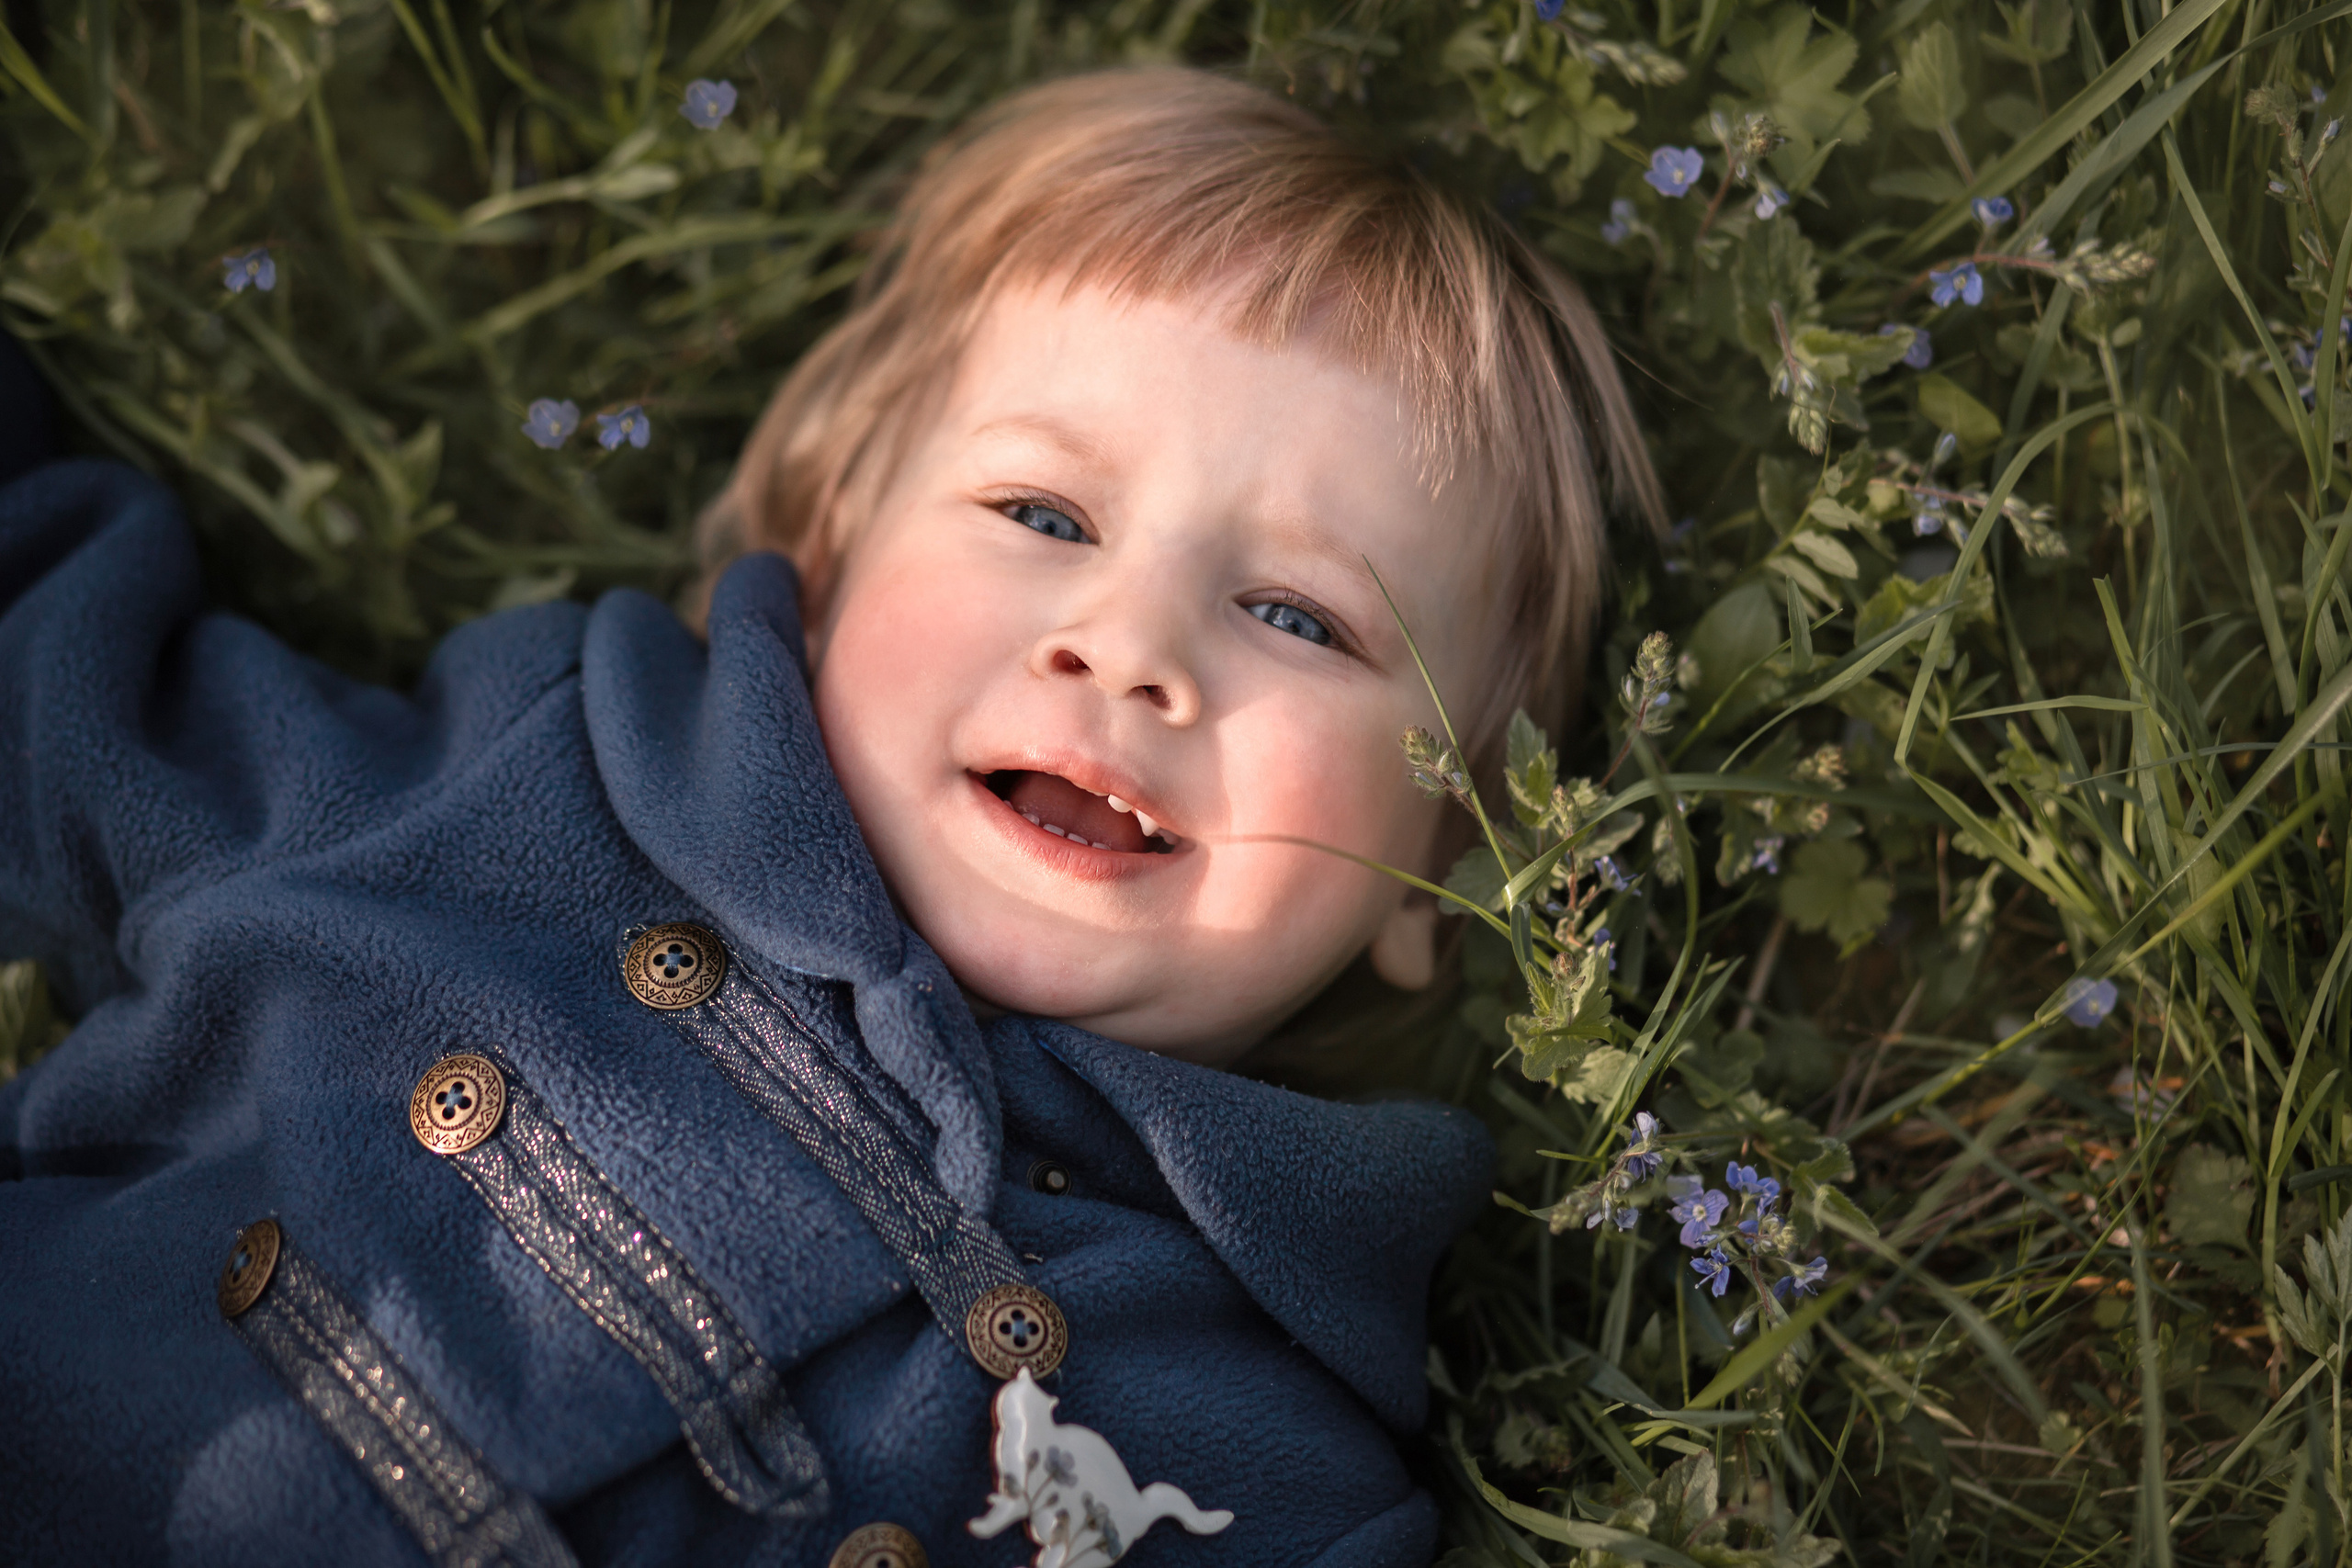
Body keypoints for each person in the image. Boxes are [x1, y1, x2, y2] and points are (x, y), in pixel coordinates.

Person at [0, 66, 1658, 1568]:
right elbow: (48, 671)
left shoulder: (1276, 1466)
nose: (1133, 648)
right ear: (826, 552)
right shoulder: (499, 795)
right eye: (1043, 511)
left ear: (1445, 866)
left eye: (1300, 617)